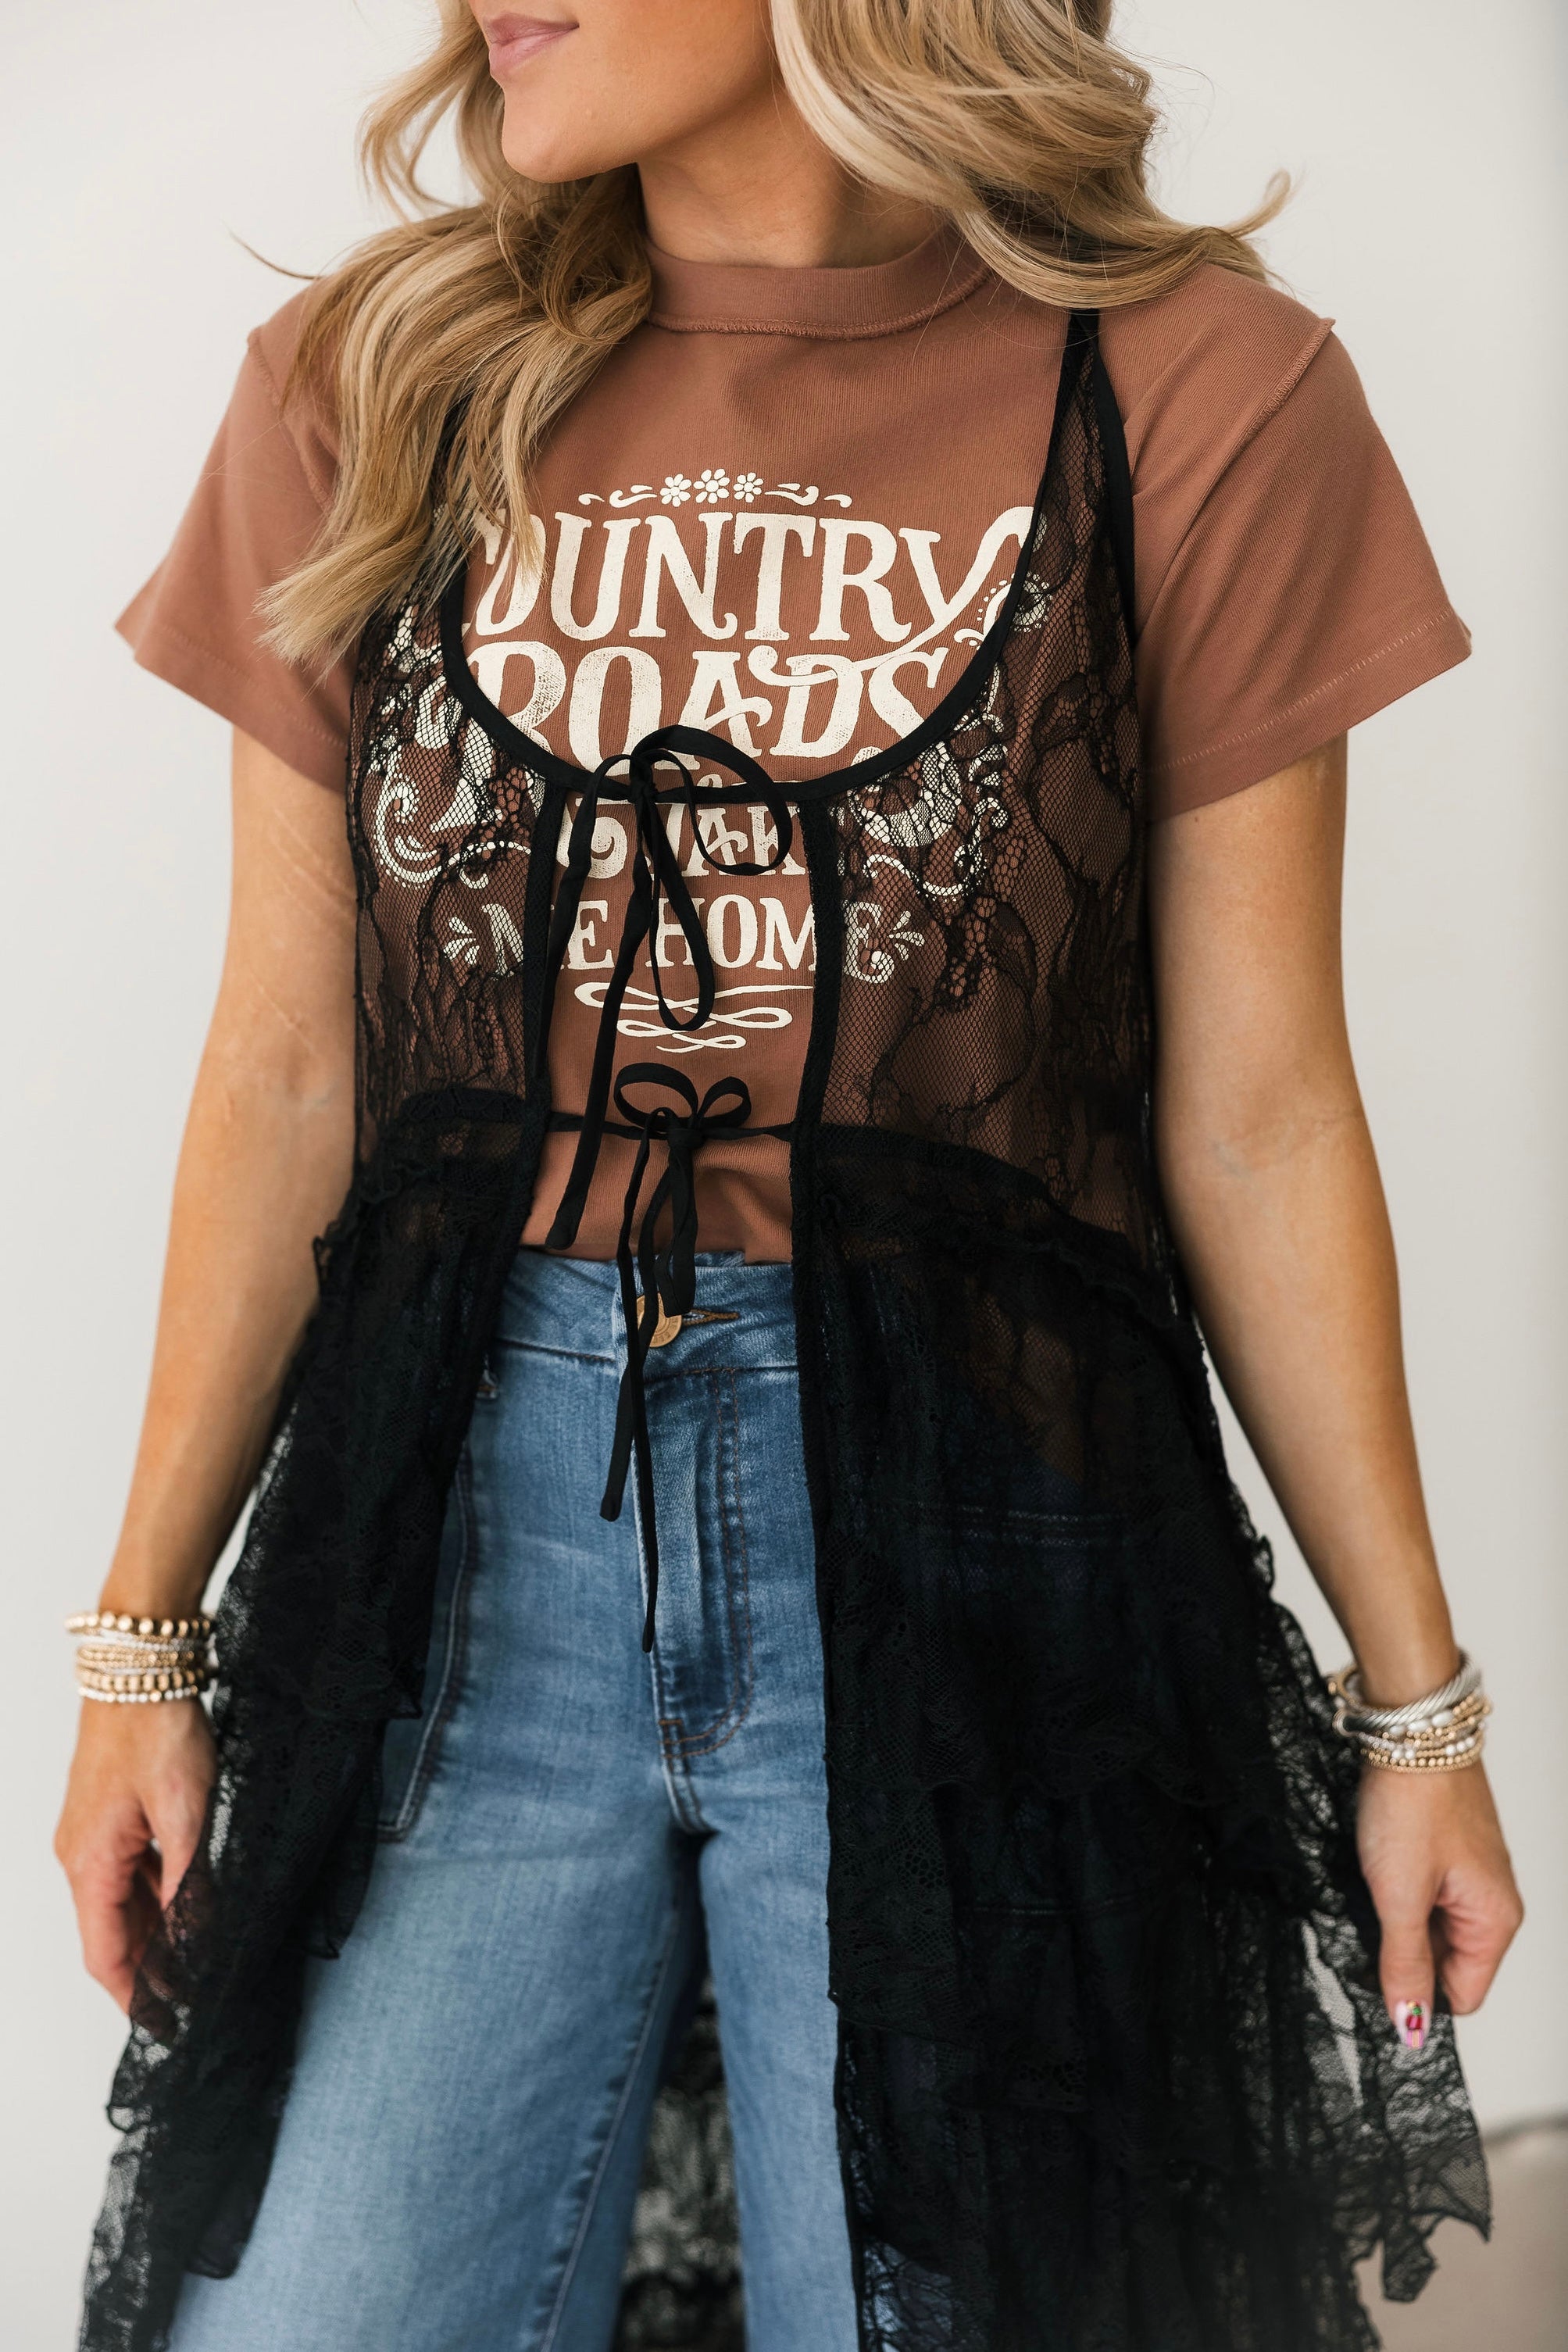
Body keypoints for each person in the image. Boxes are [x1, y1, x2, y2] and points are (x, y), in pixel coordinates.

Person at [55, 5, 1524, 2349]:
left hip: (978, 1582)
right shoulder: (376, 380)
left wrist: (1412, 1707)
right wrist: (142, 1637)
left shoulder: (1200, 394)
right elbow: (285, 1069)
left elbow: (1257, 1111)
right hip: (457, 1577)